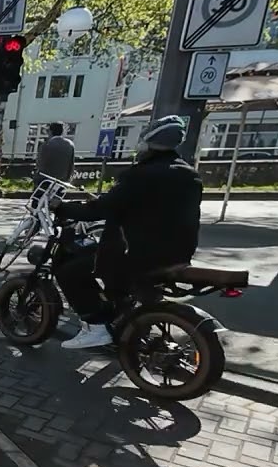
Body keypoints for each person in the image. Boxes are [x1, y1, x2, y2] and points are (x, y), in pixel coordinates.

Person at [52, 115, 203, 349]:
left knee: (70, 271)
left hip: (139, 255)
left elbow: (100, 209)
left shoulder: (140, 175)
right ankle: (120, 312)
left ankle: (95, 327)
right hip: (178, 254)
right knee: (101, 263)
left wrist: (61, 207)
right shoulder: (190, 175)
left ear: (148, 143)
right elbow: (153, 209)